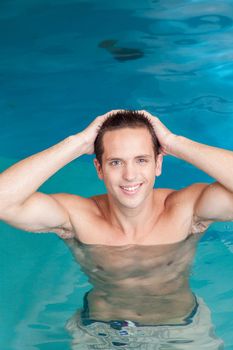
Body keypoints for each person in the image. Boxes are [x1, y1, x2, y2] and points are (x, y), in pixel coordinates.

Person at [0, 109, 229, 349]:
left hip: (184, 330)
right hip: (100, 333)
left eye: (141, 160)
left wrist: (175, 143)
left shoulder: (185, 210)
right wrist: (76, 144)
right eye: (116, 162)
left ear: (158, 163)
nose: (130, 175)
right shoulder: (79, 217)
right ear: (99, 168)